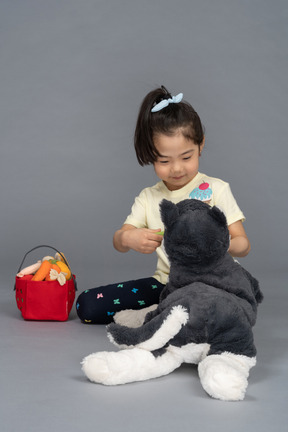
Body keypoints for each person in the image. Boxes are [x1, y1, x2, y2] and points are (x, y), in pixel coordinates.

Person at [76, 85, 251, 324]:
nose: (177, 168)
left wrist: (216, 243)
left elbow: (243, 245)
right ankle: (171, 312)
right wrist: (130, 238)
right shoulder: (149, 197)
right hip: (167, 284)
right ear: (150, 156)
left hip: (216, 282)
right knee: (88, 304)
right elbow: (119, 240)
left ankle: (172, 316)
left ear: (201, 145)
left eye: (187, 157)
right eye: (164, 160)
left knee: (211, 312)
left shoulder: (217, 189)